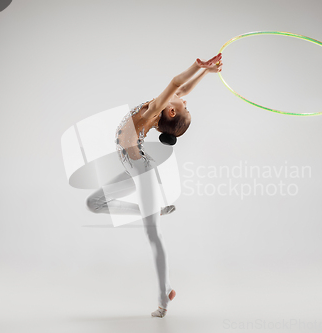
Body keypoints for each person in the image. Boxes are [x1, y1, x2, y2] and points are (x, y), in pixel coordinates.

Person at [86, 53, 223, 318]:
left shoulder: (154, 110)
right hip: (132, 166)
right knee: (94, 203)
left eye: (184, 106)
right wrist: (206, 74)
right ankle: (153, 210)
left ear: (170, 112)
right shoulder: (161, 107)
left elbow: (175, 83)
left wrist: (199, 66)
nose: (184, 98)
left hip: (143, 171)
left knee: (153, 235)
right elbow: (182, 88)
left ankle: (164, 296)